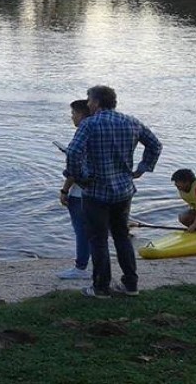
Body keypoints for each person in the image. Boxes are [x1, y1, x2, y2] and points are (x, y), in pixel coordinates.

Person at [66, 85, 162, 298]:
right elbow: (155, 145)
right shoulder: (131, 122)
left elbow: (73, 152)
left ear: (97, 102)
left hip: (96, 192)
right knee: (122, 237)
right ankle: (130, 284)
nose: (88, 103)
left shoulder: (89, 124)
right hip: (123, 191)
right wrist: (142, 168)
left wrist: (79, 176)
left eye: (89, 100)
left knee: (98, 239)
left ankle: (101, 287)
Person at [57, 99, 92, 280]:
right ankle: (96, 266)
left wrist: (64, 190)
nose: (72, 117)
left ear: (81, 114)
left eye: (73, 114)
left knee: (81, 230)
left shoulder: (82, 134)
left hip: (80, 192)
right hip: (99, 191)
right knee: (95, 231)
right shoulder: (101, 132)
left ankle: (80, 267)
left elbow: (74, 166)